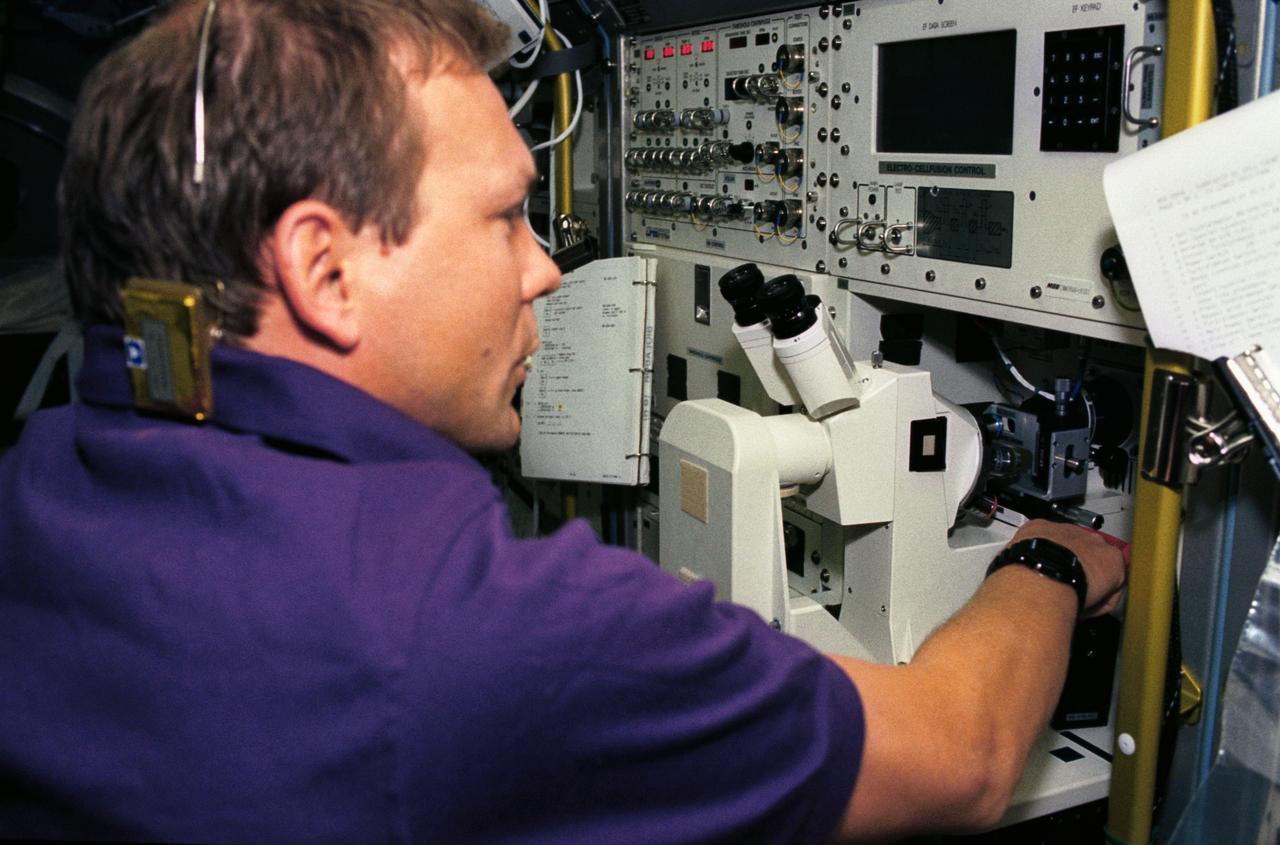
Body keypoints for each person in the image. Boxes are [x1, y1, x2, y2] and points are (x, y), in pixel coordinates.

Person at [0, 0, 1128, 842]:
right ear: (322, 269)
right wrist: (1047, 560)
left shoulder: (43, 473)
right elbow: (964, 755)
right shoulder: (481, 630)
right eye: (502, 217)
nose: (544, 268)